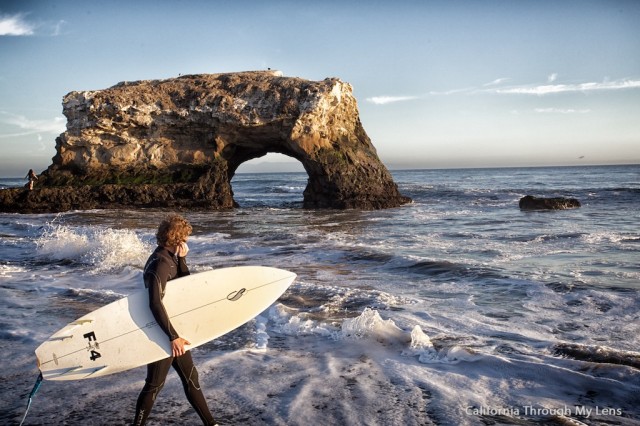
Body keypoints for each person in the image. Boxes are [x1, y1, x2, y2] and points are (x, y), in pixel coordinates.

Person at [133, 214, 217, 426]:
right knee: (154, 385)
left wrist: (182, 259)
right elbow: (155, 303)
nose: (187, 241)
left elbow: (184, 288)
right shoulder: (160, 264)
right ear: (177, 239)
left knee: (191, 380)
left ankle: (211, 424)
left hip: (172, 331)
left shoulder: (169, 258)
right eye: (185, 238)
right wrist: (172, 337)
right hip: (163, 333)